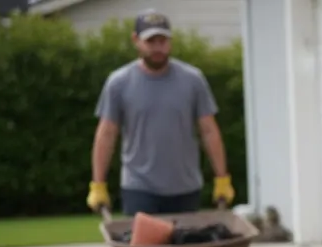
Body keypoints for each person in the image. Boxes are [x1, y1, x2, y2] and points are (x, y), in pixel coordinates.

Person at [86, 10, 234, 216]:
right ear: (136, 40)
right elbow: (107, 133)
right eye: (151, 41)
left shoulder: (192, 80)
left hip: (185, 187)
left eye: (163, 41)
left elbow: (209, 130)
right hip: (139, 187)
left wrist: (222, 178)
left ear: (170, 41)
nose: (158, 48)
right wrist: (98, 184)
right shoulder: (119, 83)